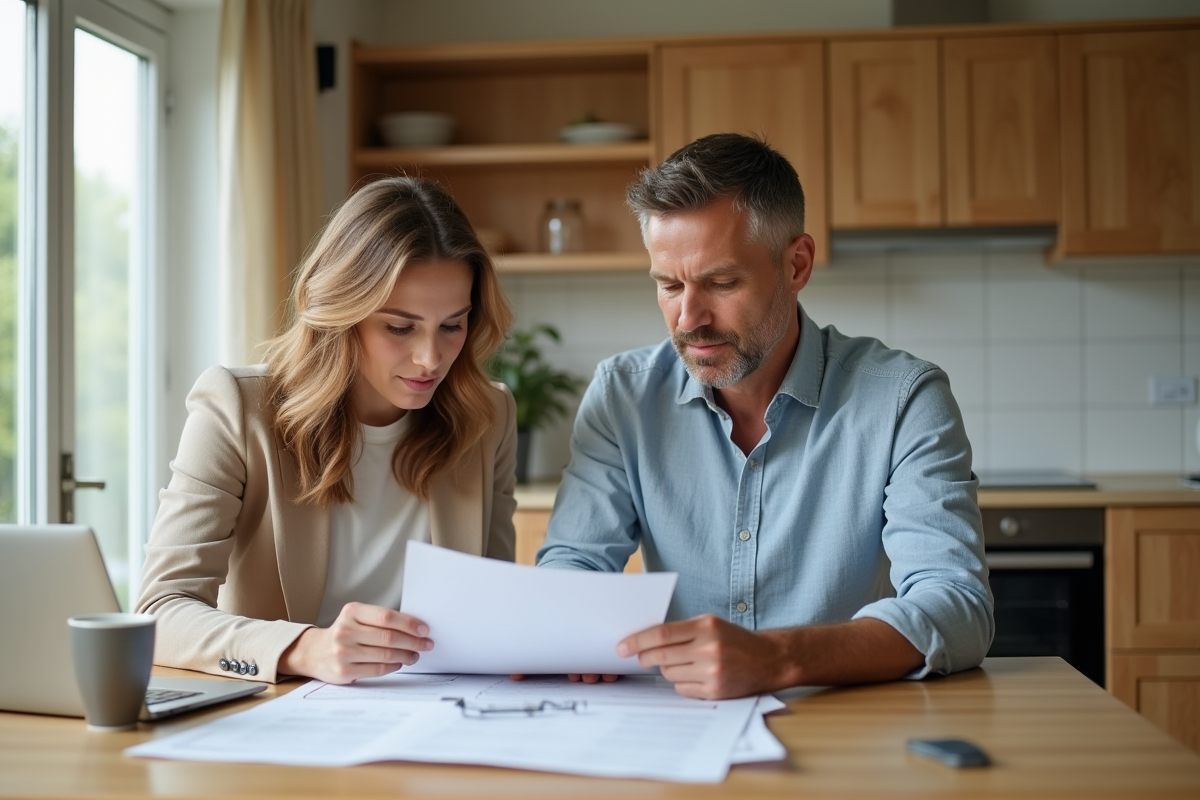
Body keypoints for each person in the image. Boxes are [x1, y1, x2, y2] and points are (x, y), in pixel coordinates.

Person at [537, 133, 993, 700]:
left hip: (851, 725)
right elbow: (572, 565)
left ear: (796, 264)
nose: (689, 318)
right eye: (668, 285)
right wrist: (572, 626)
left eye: (722, 282)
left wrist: (780, 659)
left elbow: (956, 606)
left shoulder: (903, 400)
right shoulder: (622, 396)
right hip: (678, 728)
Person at [137, 176, 516, 685]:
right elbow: (159, 610)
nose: (431, 359)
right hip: (279, 723)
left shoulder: (487, 417)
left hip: (438, 717)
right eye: (400, 327)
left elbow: (493, 609)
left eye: (452, 325)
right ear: (342, 314)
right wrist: (303, 648)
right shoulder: (236, 409)